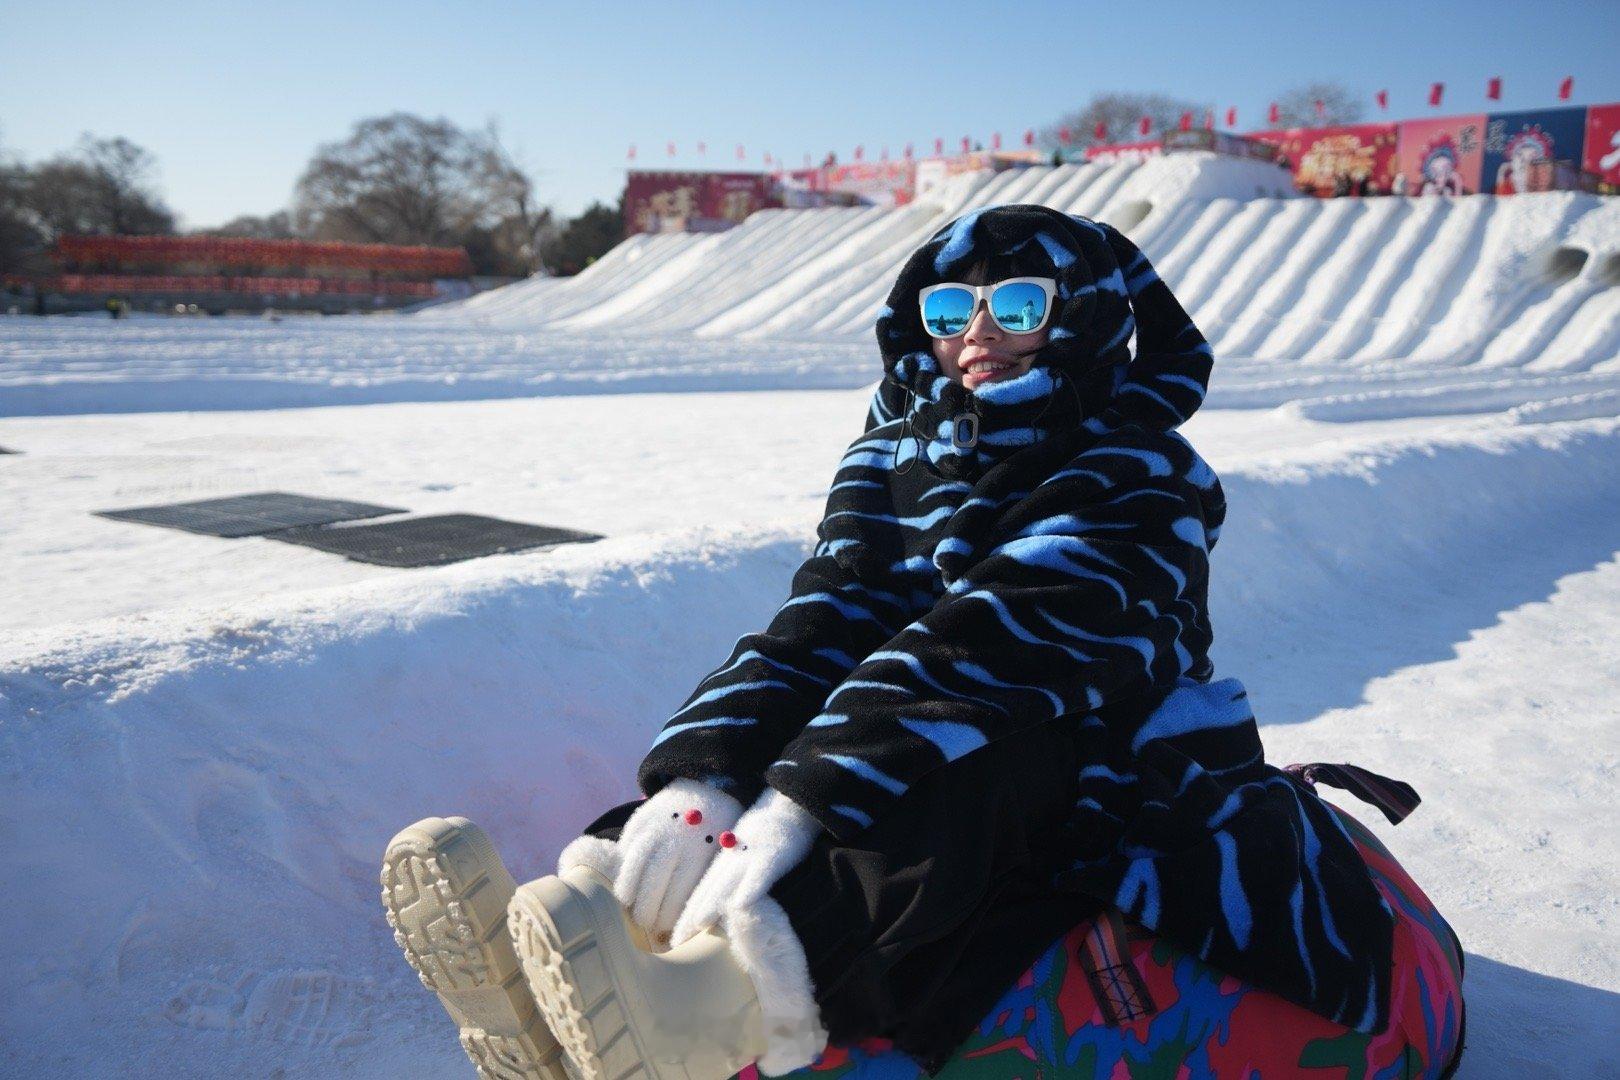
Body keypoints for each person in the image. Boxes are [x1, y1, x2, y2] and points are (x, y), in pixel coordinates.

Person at [382, 205, 1462, 1080]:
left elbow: (1000, 643)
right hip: (907, 704)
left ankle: (714, 1006)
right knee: (777, 752)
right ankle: (589, 942)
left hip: (1103, 730)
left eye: (1018, 303)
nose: (976, 333)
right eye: (950, 306)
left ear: (1083, 317)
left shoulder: (1141, 469)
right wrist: (702, 781)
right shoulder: (897, 452)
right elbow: (834, 606)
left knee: (956, 779)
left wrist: (808, 798)